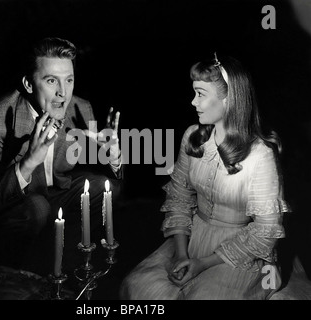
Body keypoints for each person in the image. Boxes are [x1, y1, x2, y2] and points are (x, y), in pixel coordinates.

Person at [120, 54, 291, 300]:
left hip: (241, 252)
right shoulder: (193, 137)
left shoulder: (260, 154)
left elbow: (266, 230)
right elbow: (179, 198)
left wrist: (203, 263)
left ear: (229, 99)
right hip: (192, 241)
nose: (193, 101)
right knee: (137, 286)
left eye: (201, 94)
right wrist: (181, 254)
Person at [0, 37, 123, 276]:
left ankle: (66, 264)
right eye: (51, 81)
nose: (63, 93)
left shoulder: (80, 108)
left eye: (69, 80)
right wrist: (29, 161)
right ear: (29, 84)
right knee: (37, 208)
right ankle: (16, 275)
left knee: (105, 189)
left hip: (57, 193)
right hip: (18, 205)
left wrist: (112, 157)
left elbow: (96, 166)